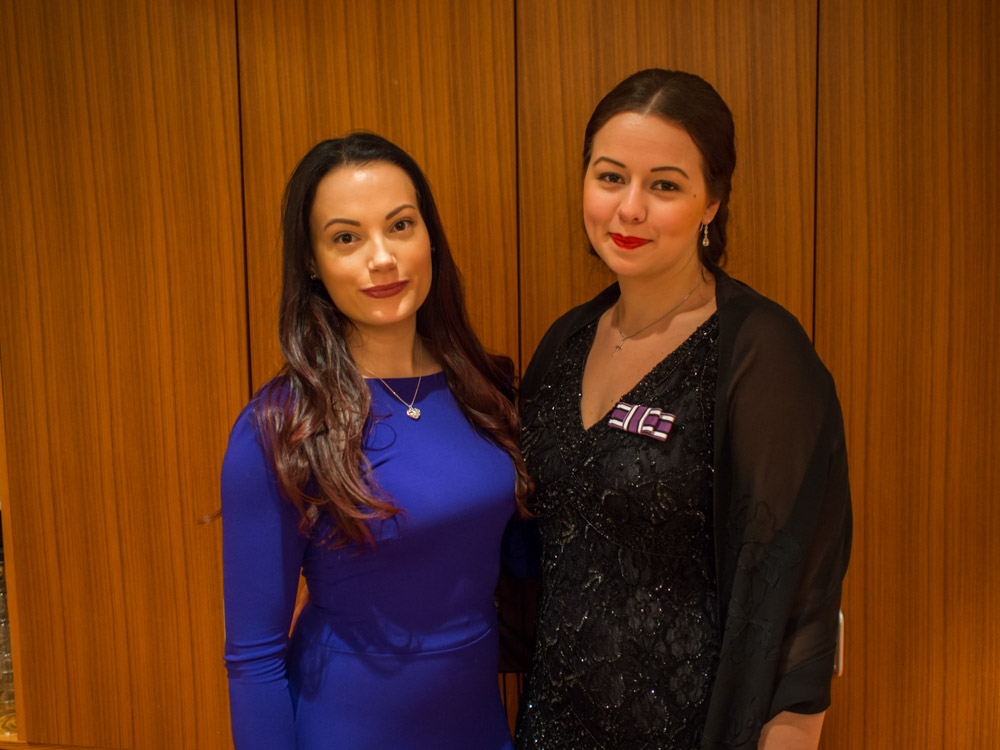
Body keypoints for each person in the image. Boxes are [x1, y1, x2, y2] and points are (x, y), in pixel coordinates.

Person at [513, 69, 852, 749]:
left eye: (664, 186)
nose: (629, 209)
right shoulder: (563, 344)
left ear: (711, 204)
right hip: (551, 728)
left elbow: (798, 610)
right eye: (610, 177)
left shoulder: (759, 351)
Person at [221, 133, 529, 750]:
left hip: (481, 729)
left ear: (429, 237)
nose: (382, 258)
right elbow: (253, 658)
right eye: (347, 238)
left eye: (400, 225)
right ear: (312, 262)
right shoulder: (280, 425)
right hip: (346, 729)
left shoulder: (486, 389)